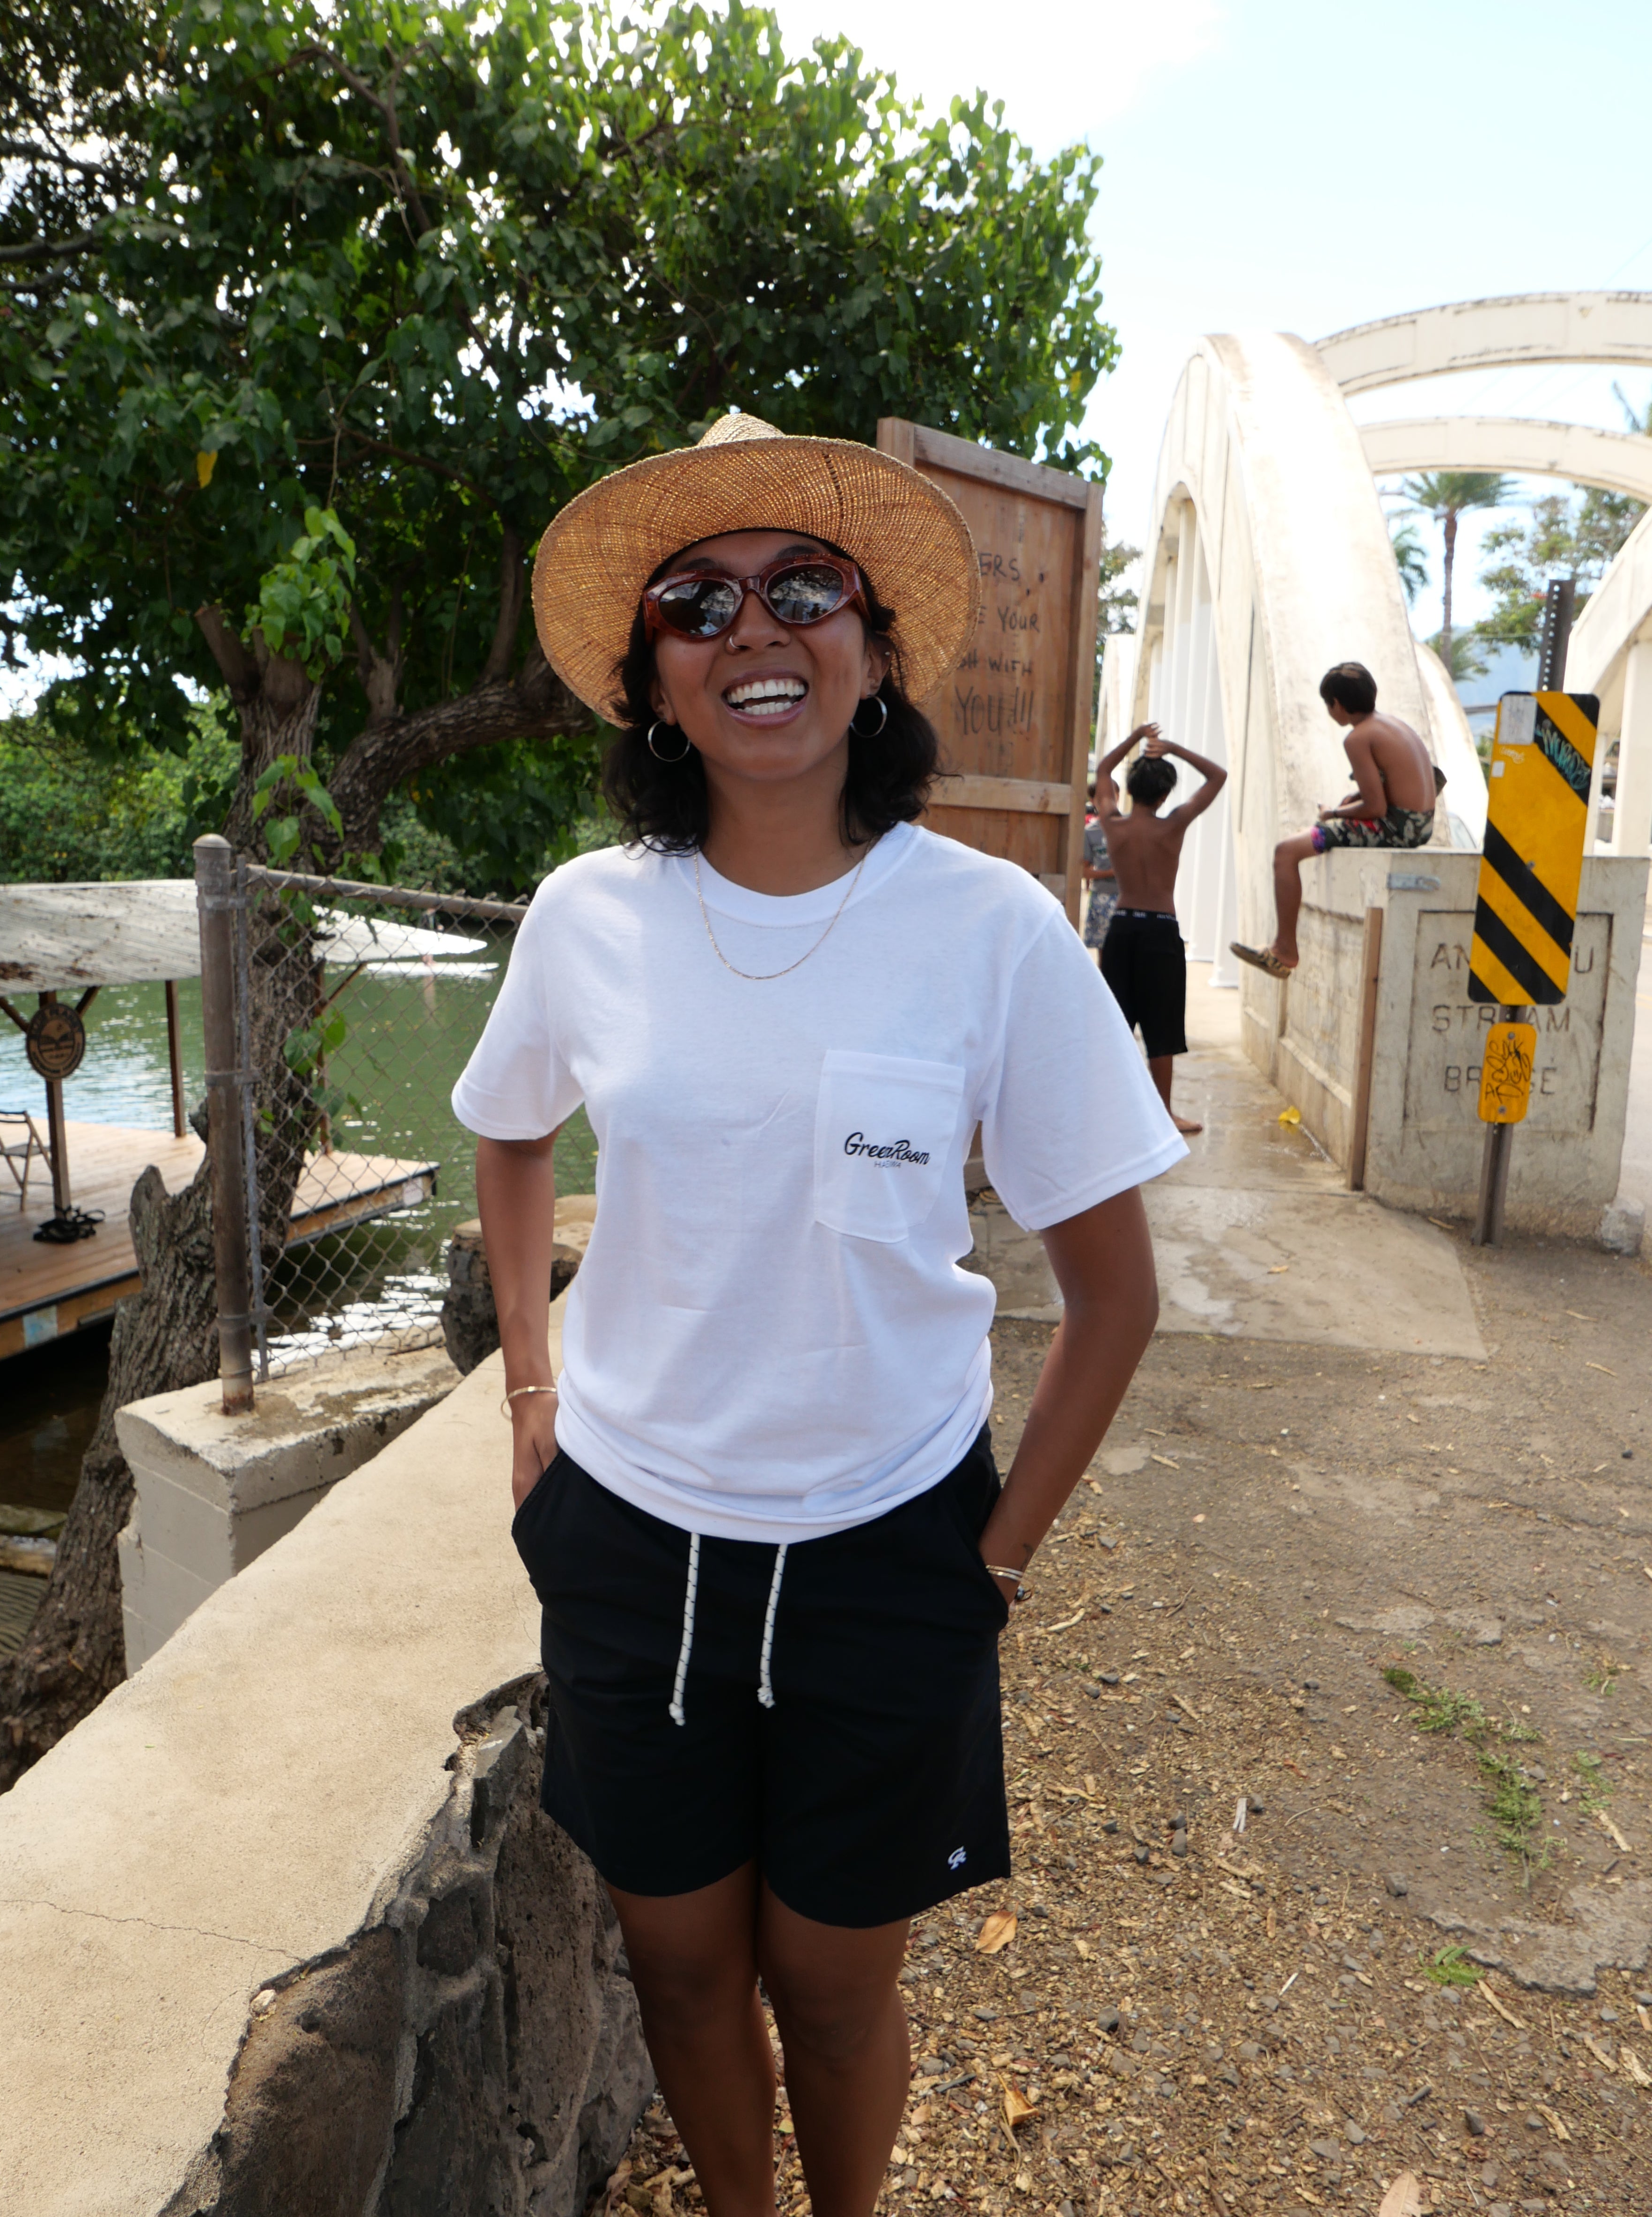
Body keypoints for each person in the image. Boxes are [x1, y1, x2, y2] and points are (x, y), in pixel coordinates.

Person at [452, 412, 1186, 2217]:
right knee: (683, 1965)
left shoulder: (991, 930)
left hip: (886, 1538)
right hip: (628, 1536)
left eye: (802, 587)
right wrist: (531, 1393)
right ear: (649, 685)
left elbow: (1112, 1294)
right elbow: (504, 1129)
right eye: (695, 603)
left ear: (869, 650)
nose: (751, 629)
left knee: (836, 1982)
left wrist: (990, 1561)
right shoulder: (584, 919)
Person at [1231, 661, 1440, 978]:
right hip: (1421, 824)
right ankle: (1283, 948)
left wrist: (1334, 814)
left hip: (1400, 828)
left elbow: (1376, 809)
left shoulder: (1357, 738)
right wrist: (1353, 802)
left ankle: (1284, 950)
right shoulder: (1393, 725)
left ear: (1337, 705)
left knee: (1286, 852)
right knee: (1311, 834)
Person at [1090, 722, 1227, 1138]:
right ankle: (1162, 1114)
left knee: (1117, 1023)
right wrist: (1173, 747)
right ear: (1166, 794)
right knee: (1162, 1026)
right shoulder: (1174, 824)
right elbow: (1218, 776)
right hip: (1160, 933)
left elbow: (1103, 772)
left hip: (1122, 929)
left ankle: (1107, 1111)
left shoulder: (1113, 823)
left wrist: (1135, 739)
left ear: (1128, 790)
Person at [1081, 780, 1118, 953]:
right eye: (1100, 797)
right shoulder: (1090, 832)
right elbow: (1084, 872)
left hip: (1128, 897)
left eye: (1112, 794)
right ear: (1092, 801)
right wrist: (1113, 872)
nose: (1107, 800)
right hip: (1101, 897)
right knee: (1104, 951)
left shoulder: (1130, 826)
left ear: (1119, 796)